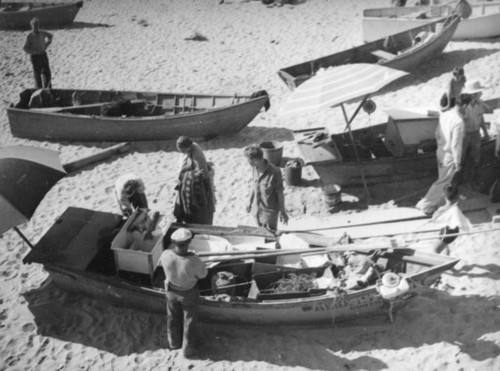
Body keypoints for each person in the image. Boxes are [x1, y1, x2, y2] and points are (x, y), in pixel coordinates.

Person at [416, 94, 469, 215]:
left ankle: (437, 203)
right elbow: (456, 144)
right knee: (444, 181)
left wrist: (442, 145)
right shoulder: (458, 121)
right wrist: (457, 161)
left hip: (441, 150)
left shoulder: (445, 115)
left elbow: (437, 134)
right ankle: (426, 204)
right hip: (450, 154)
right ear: (464, 105)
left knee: (443, 179)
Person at [159, 228, 207, 358]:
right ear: (189, 242)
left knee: (173, 317)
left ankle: (174, 342)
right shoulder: (193, 260)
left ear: (174, 242)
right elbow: (203, 274)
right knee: (189, 320)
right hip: (188, 293)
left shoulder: (166, 254)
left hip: (171, 291)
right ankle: (188, 349)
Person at [244, 145, 288, 232]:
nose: (247, 162)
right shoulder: (254, 168)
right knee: (261, 231)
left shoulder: (275, 172)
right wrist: (250, 202)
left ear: (256, 160)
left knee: (272, 232)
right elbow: (254, 185)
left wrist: (283, 211)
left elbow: (280, 193)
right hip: (257, 208)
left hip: (270, 212)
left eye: (248, 160)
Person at [174, 136, 215, 225]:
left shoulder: (197, 154)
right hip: (185, 182)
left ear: (188, 147)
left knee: (199, 210)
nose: (182, 152)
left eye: (183, 150)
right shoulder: (191, 147)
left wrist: (207, 190)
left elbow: (203, 175)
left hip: (196, 186)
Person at [459, 80, 490, 188]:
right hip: (464, 136)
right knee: (460, 160)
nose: (481, 94)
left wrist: (485, 132)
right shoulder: (462, 107)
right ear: (473, 94)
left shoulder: (479, 105)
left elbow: (481, 118)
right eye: (479, 92)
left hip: (476, 134)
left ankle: (471, 180)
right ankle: (459, 181)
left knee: (475, 159)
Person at [23, 17, 53, 89]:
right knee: (37, 75)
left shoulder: (42, 33)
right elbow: (25, 48)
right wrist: (34, 52)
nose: (36, 27)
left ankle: (48, 89)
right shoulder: (30, 36)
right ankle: (38, 90)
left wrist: (47, 44)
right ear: (31, 26)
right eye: (34, 25)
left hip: (43, 55)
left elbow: (51, 36)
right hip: (35, 57)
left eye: (37, 25)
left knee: (47, 73)